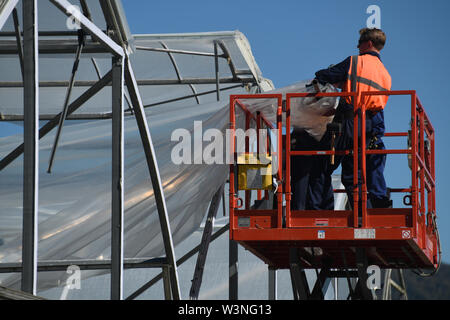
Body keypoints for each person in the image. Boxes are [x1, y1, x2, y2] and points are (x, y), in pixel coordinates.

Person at [314, 27, 392, 210]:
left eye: (359, 43)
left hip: (351, 121)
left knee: (323, 165)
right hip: (373, 123)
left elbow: (325, 75)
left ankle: (322, 209)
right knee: (358, 170)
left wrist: (327, 76)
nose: (357, 46)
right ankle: (366, 210)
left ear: (369, 43)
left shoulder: (355, 61)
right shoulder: (385, 73)